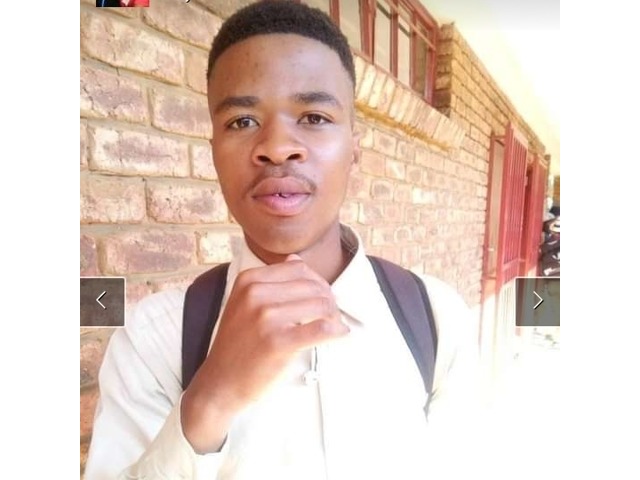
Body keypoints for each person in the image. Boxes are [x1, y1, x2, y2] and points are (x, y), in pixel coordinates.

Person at [84, 2, 479, 479]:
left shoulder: (436, 318)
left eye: (313, 116)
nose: (276, 147)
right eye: (242, 121)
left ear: (355, 145)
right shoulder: (154, 339)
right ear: (213, 152)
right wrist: (211, 398)